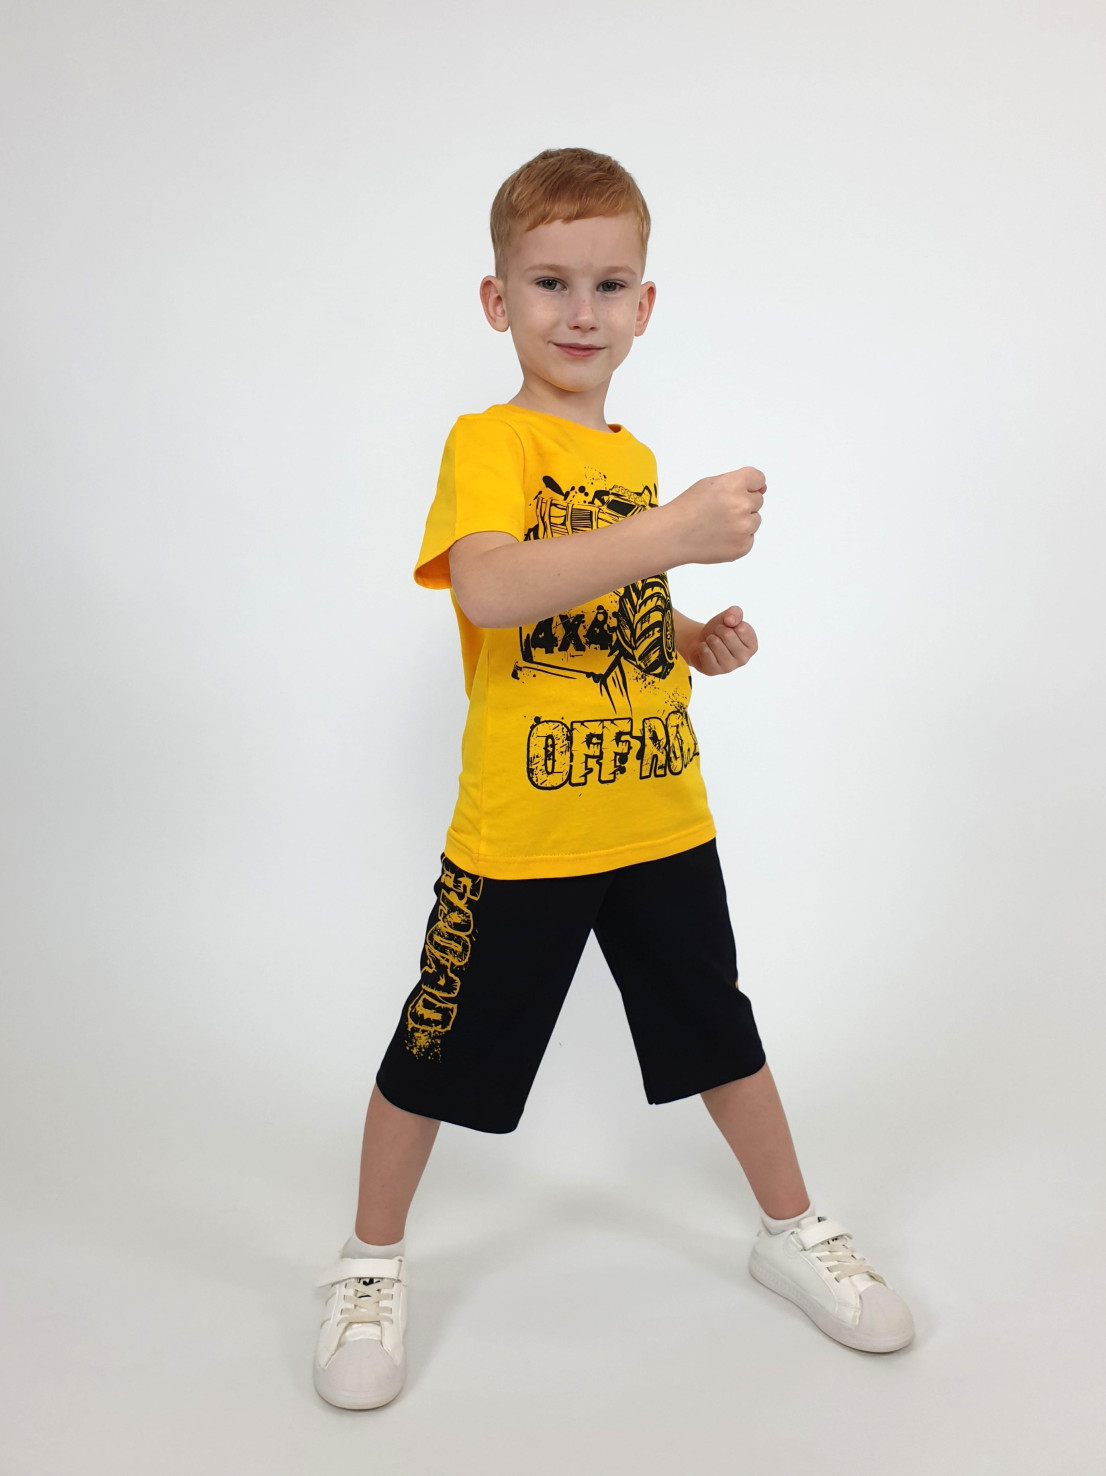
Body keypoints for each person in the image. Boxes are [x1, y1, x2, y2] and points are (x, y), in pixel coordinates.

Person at [311, 146, 915, 1410]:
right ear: (498, 301)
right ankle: (368, 1264)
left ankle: (790, 1230)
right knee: (434, 1046)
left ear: (644, 304)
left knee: (718, 1031)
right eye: (549, 282)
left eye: (606, 284)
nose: (578, 311)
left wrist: (687, 636)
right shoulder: (490, 441)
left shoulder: (630, 463)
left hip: (655, 812)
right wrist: (675, 531)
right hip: (523, 833)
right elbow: (492, 588)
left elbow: (605, 601)